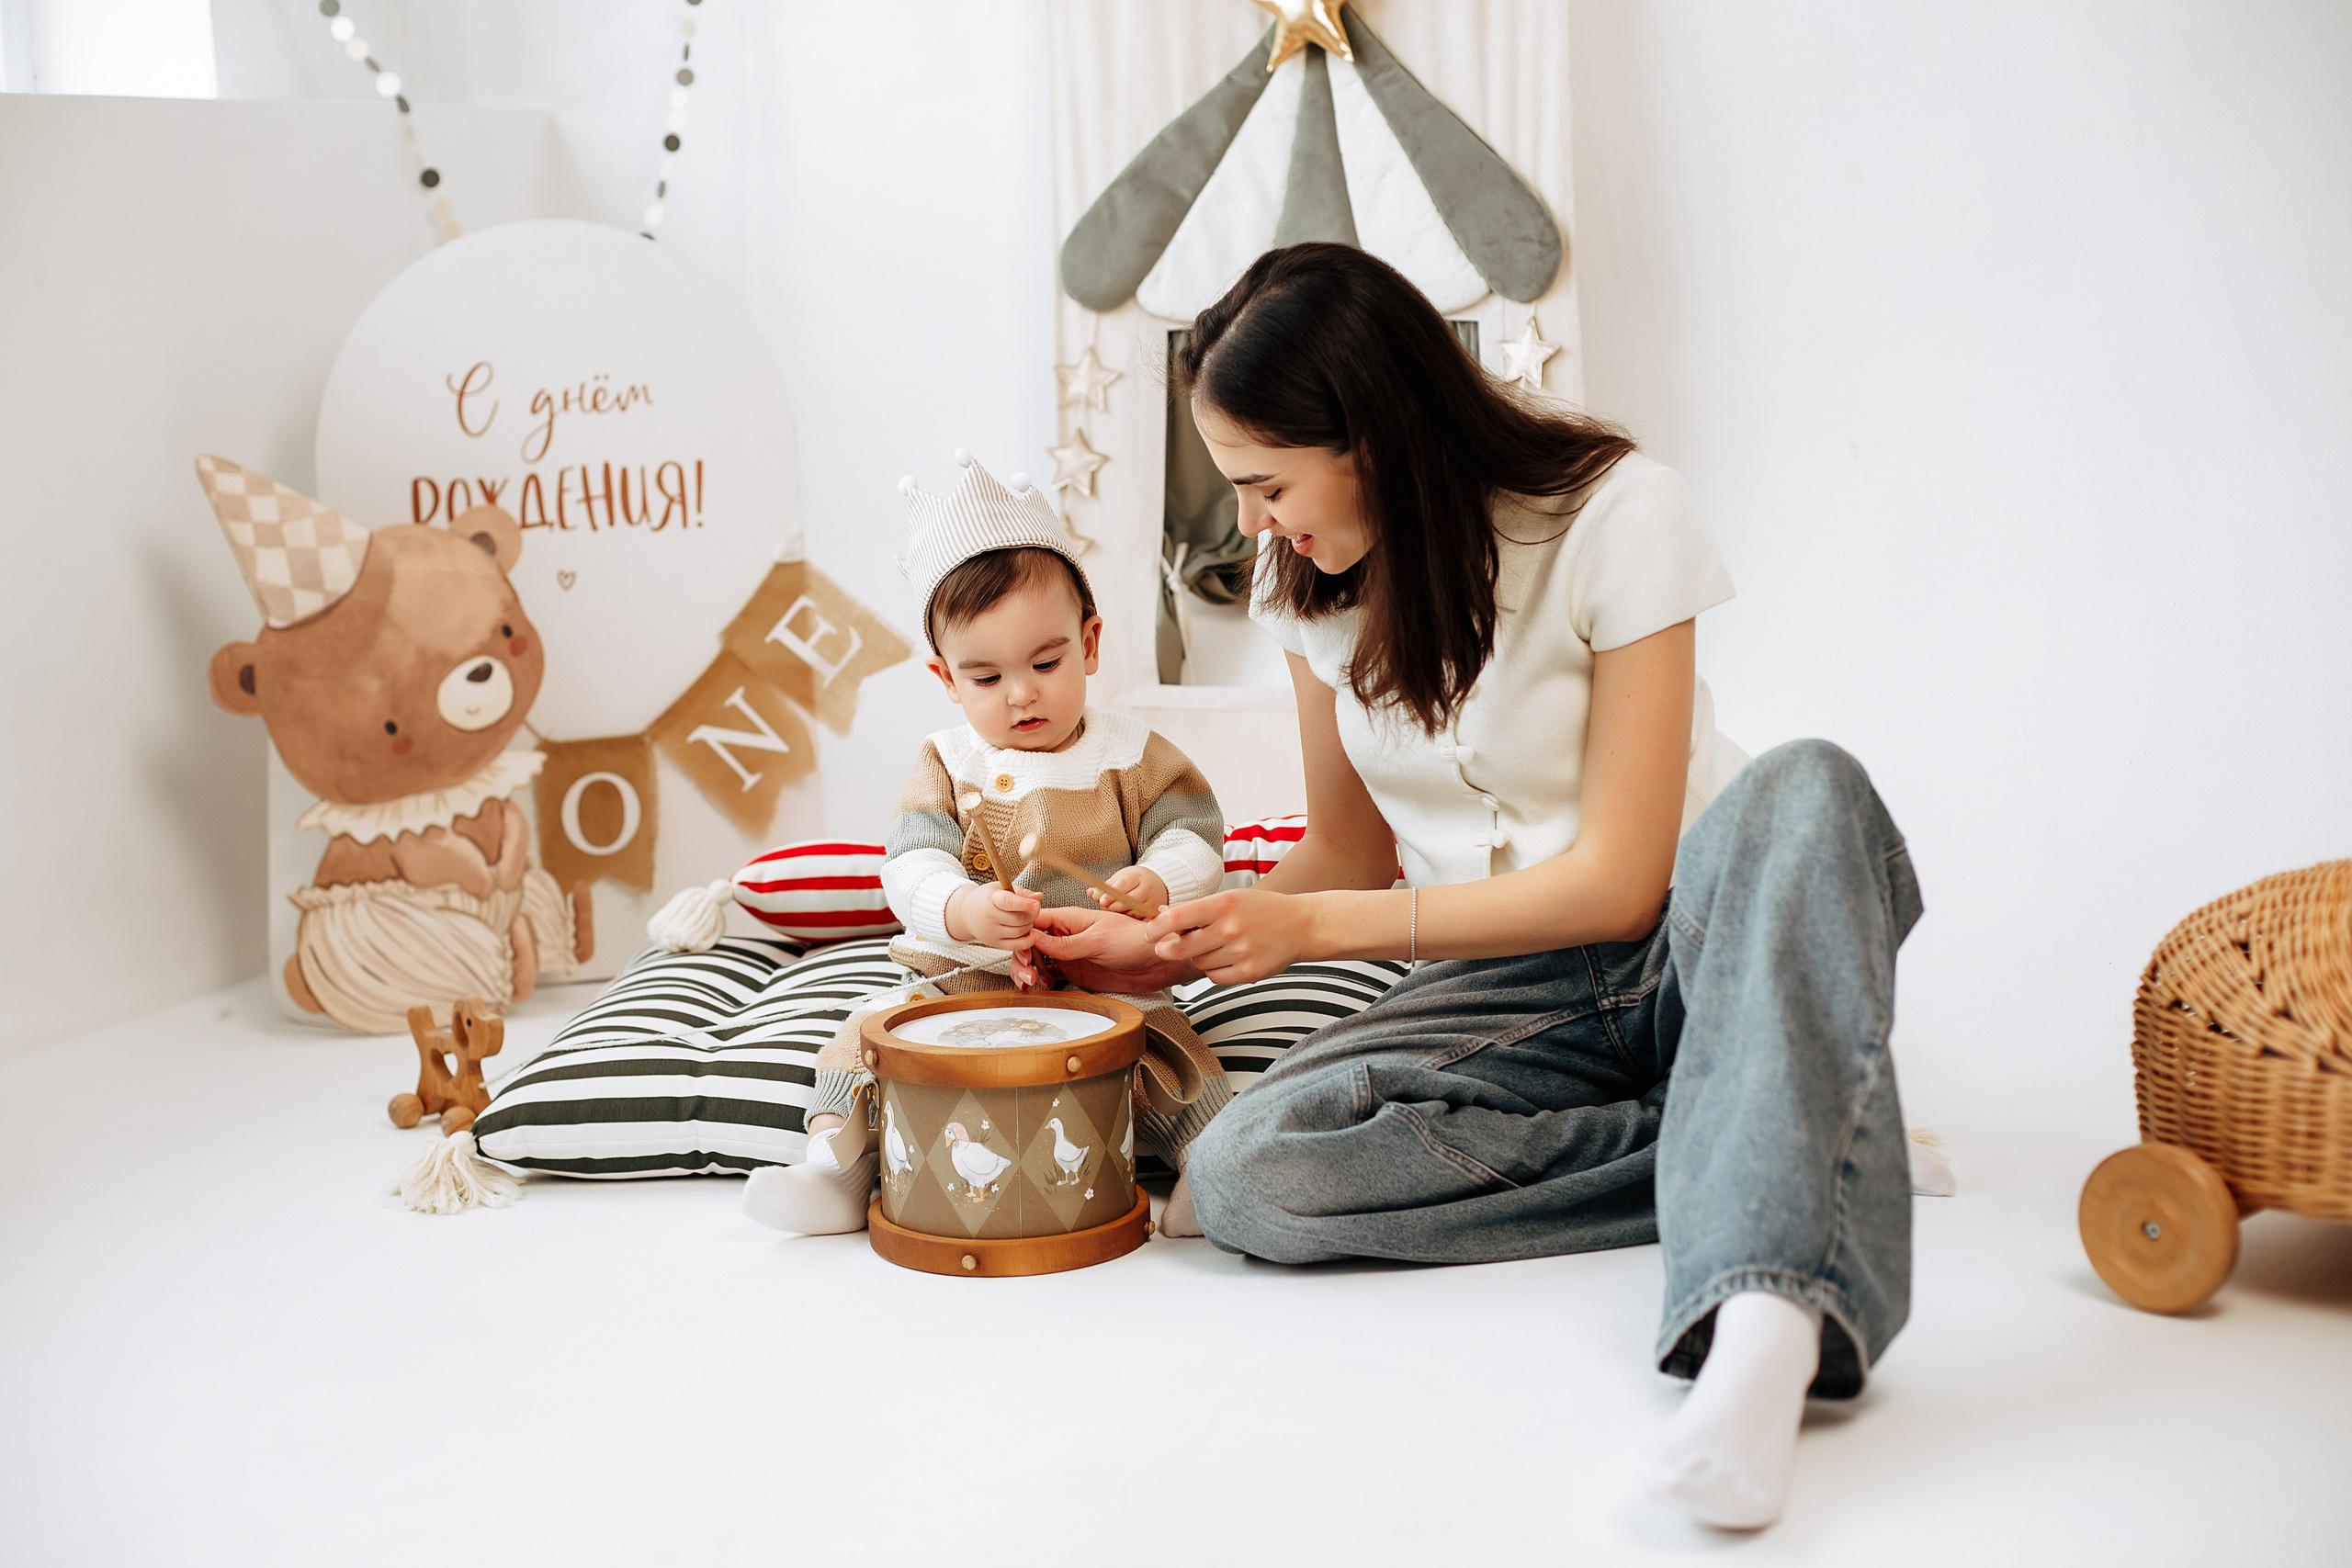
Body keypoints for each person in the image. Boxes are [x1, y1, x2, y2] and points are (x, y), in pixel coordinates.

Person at [1030, 245, 1923, 1532]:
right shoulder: (1309, 595)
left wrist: (1317, 925)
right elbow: (1345, 855)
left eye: (1266, 483)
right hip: (1506, 995)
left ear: (1373, 434)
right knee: (1241, 1172)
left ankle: (1761, 1332)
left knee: (1806, 783)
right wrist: (1164, 943)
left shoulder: (1621, 513)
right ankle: (1783, 1125)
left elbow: (1621, 885)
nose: (1251, 523)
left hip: (1693, 936)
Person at [743, 450, 1232, 1236]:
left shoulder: (1131, 753)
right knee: (867, 1038)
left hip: (1105, 980)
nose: (1021, 693)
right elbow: (909, 864)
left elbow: (1198, 831)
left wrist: (1157, 882)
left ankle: (1213, 1169)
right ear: (945, 678)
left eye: (1047, 661)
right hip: (963, 978)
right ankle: (836, 1168)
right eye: (985, 677)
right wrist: (965, 908)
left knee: (1172, 1050)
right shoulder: (945, 761)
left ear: (1091, 642)